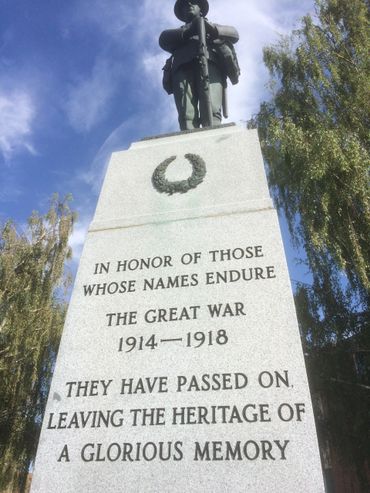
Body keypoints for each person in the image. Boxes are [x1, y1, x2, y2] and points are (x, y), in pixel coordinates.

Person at [159, 0, 240, 130]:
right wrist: (190, 29)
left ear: (200, 8)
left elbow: (234, 34)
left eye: (193, 2)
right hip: (182, 67)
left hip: (211, 64)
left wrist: (212, 29)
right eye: (185, 4)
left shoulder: (213, 28)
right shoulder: (179, 33)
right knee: (186, 114)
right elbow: (163, 39)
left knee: (212, 110)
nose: (189, 5)